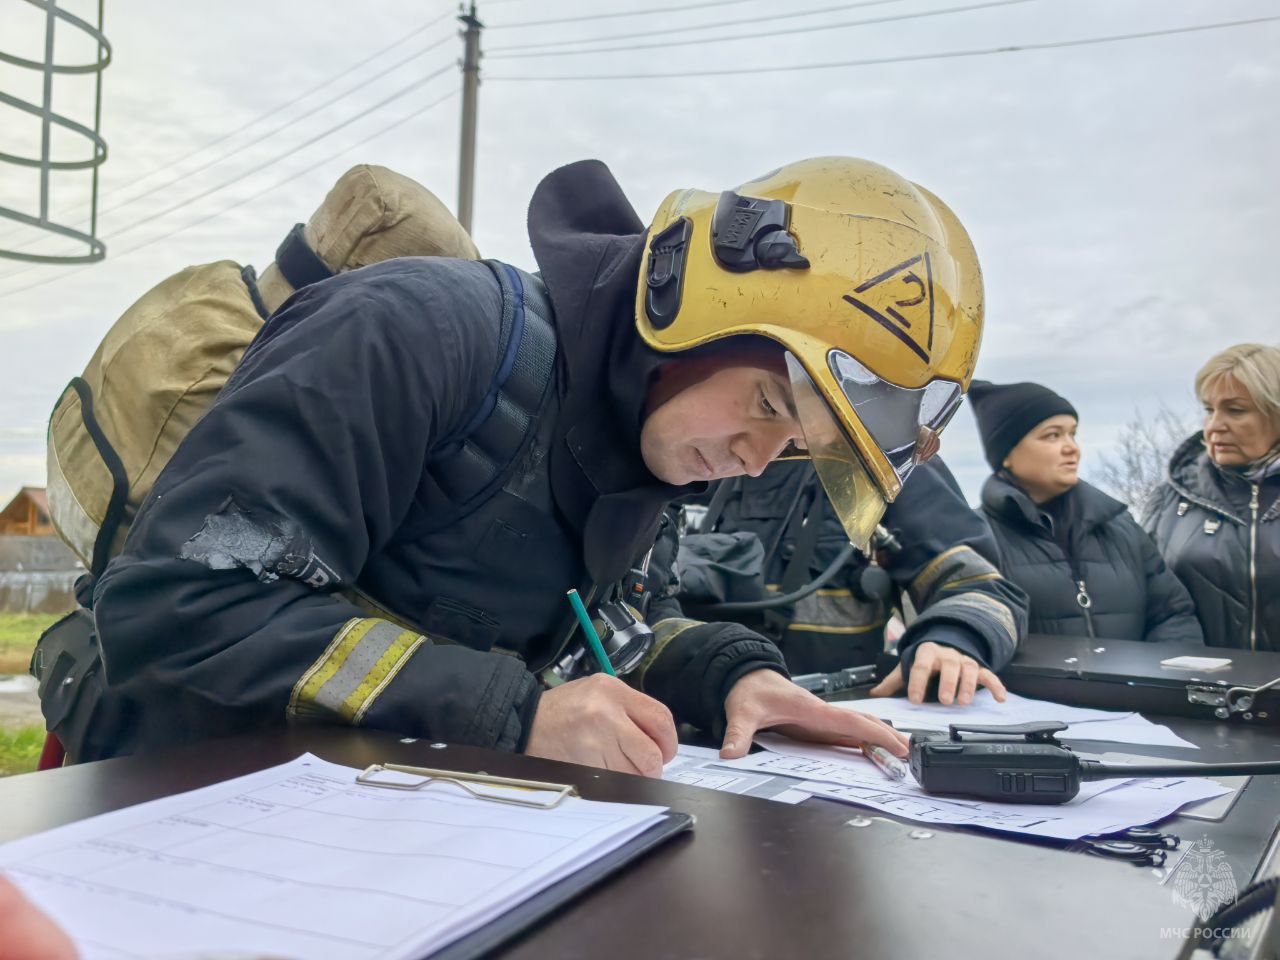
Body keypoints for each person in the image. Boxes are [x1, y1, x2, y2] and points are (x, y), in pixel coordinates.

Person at [52, 157, 987, 774]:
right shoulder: (415, 331)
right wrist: (512, 718)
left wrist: (732, 678)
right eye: (770, 406)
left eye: (792, 448)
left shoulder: (641, 450)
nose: (751, 462)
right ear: (689, 310)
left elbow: (591, 632)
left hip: (360, 839)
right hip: (162, 809)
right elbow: (188, 607)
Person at [672, 457, 1027, 705]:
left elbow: (980, 586)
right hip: (682, 726)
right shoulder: (692, 456)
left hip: (831, 734)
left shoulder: (885, 463)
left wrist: (953, 640)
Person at [970, 380, 1202, 643]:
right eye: (1053, 435)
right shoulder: (977, 537)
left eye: (1073, 434)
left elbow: (1173, 615)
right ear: (1006, 454)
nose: (1072, 448)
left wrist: (1158, 679)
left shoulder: (1121, 527)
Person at [1143, 344, 1280, 650]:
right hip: (1197, 691)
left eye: (1235, 410)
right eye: (1209, 410)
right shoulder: (1170, 499)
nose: (1214, 426)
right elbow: (1148, 603)